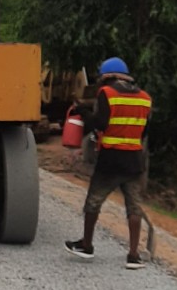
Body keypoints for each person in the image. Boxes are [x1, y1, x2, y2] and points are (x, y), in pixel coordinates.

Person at [64, 57, 151, 269]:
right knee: (134, 208)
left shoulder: (107, 93)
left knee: (94, 202)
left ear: (107, 75)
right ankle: (133, 255)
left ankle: (87, 245)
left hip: (110, 160)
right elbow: (145, 130)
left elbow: (100, 123)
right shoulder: (145, 98)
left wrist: (83, 113)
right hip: (134, 162)